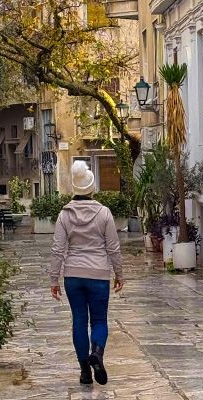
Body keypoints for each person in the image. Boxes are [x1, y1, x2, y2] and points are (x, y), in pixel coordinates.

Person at [49, 160, 124, 385]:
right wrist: (119, 274)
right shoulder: (104, 214)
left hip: (73, 276)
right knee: (99, 320)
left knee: (79, 321)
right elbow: (113, 248)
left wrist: (54, 279)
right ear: (92, 188)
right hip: (99, 275)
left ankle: (84, 372)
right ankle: (97, 354)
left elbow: (57, 249)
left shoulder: (64, 215)